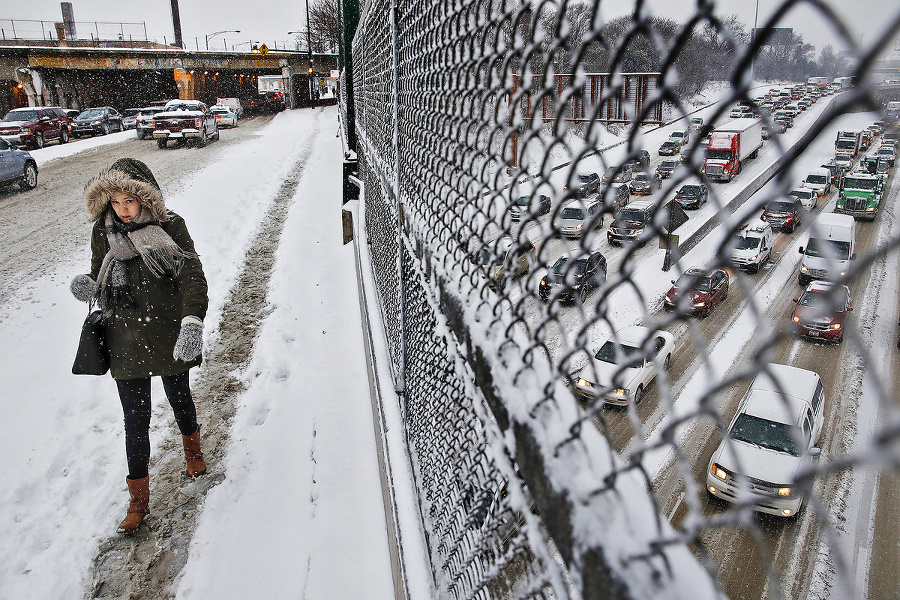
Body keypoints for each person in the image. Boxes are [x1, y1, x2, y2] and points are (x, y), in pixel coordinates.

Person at [70, 158, 209, 534]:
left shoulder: (171, 226)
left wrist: (191, 322)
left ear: (146, 197)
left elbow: (192, 274)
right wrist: (89, 285)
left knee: (180, 398)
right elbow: (99, 270)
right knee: (136, 419)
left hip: (167, 332)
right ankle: (138, 501)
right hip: (125, 336)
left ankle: (193, 451)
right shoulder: (104, 231)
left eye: (129, 200)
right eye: (114, 202)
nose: (123, 209)